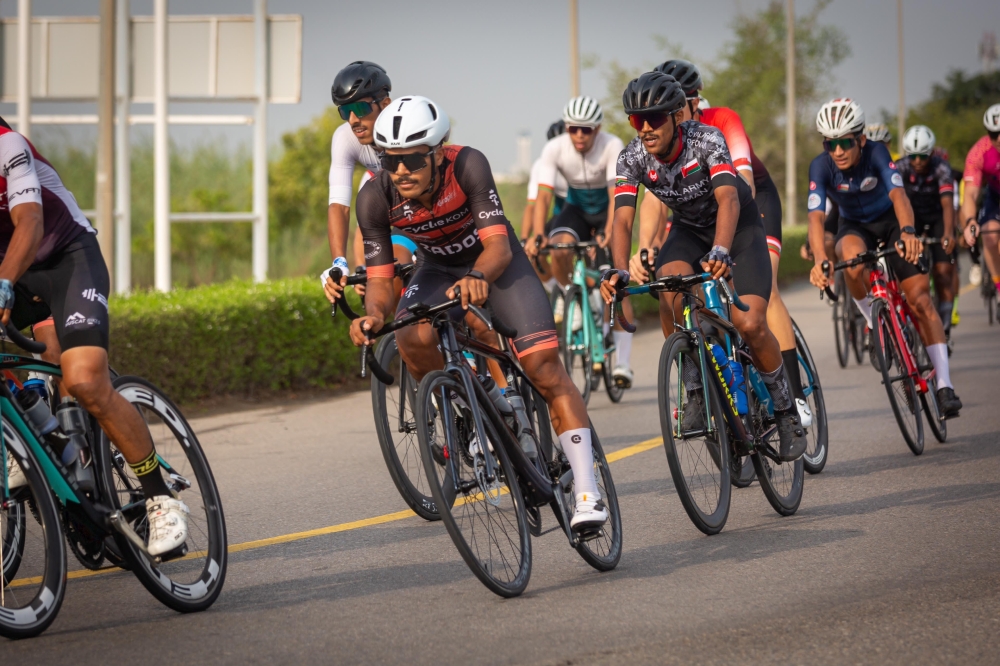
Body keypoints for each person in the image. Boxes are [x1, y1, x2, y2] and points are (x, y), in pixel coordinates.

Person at [340, 96, 608, 530]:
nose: (401, 171)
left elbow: (498, 246)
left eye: (411, 159)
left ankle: (587, 489)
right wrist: (371, 317)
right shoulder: (374, 196)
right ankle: (480, 396)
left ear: (437, 152)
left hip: (496, 263)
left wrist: (479, 275)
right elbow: (378, 278)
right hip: (437, 268)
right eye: (391, 161)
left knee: (542, 367)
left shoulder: (468, 166)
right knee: (411, 335)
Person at [0, 116, 187, 556]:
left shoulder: (8, 146)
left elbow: (30, 224)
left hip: (64, 259)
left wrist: (5, 283)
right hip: (15, 273)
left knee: (83, 380)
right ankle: (31, 428)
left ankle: (160, 497)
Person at [601, 72, 807, 461]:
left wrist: (722, 250)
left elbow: (729, 199)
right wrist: (618, 271)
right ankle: (695, 390)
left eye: (654, 118)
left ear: (677, 116)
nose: (645, 129)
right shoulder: (631, 157)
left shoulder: (705, 139)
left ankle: (785, 410)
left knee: (749, 323)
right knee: (669, 286)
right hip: (689, 230)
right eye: (635, 120)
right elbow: (622, 219)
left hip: (738, 228)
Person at [806, 98, 962, 417]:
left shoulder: (877, 153)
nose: (837, 151)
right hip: (855, 225)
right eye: (830, 144)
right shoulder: (820, 166)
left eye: (845, 142)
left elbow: (899, 195)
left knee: (919, 299)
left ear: (860, 139)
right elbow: (816, 220)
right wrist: (819, 259)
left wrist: (907, 231)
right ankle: (875, 325)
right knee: (847, 257)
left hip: (892, 221)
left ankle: (945, 384)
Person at [524, 97, 636, 388]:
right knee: (558, 246)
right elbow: (544, 196)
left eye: (586, 130)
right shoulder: (555, 148)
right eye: (573, 129)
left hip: (605, 210)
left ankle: (623, 362)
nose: (579, 136)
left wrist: (610, 231)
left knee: (617, 280)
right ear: (566, 128)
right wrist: (538, 234)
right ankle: (572, 301)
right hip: (576, 211)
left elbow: (616, 196)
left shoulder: (612, 145)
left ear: (597, 129)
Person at [321, 61, 414, 302]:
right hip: (400, 217)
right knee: (381, 287)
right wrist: (340, 264)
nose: (352, 120)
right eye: (345, 111)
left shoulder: (409, 126)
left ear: (385, 105)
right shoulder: (344, 138)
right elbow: (339, 206)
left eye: (360, 108)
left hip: (437, 212)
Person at [895, 125, 957, 341]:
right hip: (914, 219)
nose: (918, 161)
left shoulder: (941, 168)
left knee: (942, 272)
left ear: (931, 153)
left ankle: (946, 324)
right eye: (913, 156)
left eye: (922, 156)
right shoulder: (900, 167)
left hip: (938, 216)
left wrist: (948, 234)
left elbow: (948, 204)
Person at [522, 120, 569, 289]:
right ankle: (561, 293)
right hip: (559, 214)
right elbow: (533, 205)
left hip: (583, 212)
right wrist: (525, 238)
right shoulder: (541, 165)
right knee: (535, 253)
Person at [960, 104, 1000, 299]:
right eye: (994, 134)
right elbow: (971, 193)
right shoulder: (979, 152)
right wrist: (970, 221)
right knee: (990, 236)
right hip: (994, 196)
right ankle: (999, 287)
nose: (999, 138)